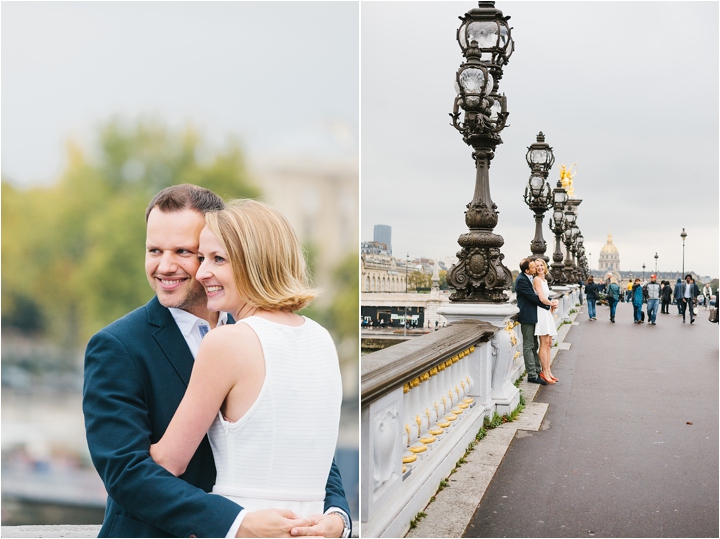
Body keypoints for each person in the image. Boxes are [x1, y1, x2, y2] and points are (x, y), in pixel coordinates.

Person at [83, 185, 350, 538]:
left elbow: (307, 441)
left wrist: (337, 514)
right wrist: (235, 523)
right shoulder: (116, 346)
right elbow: (126, 472)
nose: (165, 266)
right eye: (154, 250)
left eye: (185, 251)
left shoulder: (256, 335)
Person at [515, 258, 558, 385]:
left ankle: (538, 371)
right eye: (533, 267)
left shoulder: (529, 278)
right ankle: (532, 375)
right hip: (527, 316)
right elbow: (534, 298)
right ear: (527, 270)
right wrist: (549, 304)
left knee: (534, 345)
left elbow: (540, 296)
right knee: (529, 345)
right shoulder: (522, 280)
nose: (536, 269)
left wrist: (550, 302)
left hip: (534, 316)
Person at [532, 259, 558, 384]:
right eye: (537, 266)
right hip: (541, 312)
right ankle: (544, 371)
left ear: (545, 266)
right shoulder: (537, 280)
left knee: (548, 343)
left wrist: (553, 302)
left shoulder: (544, 280)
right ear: (535, 269)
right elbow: (542, 298)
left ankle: (548, 371)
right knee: (544, 343)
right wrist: (552, 303)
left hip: (546, 312)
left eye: (541, 265)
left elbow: (546, 297)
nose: (540, 267)